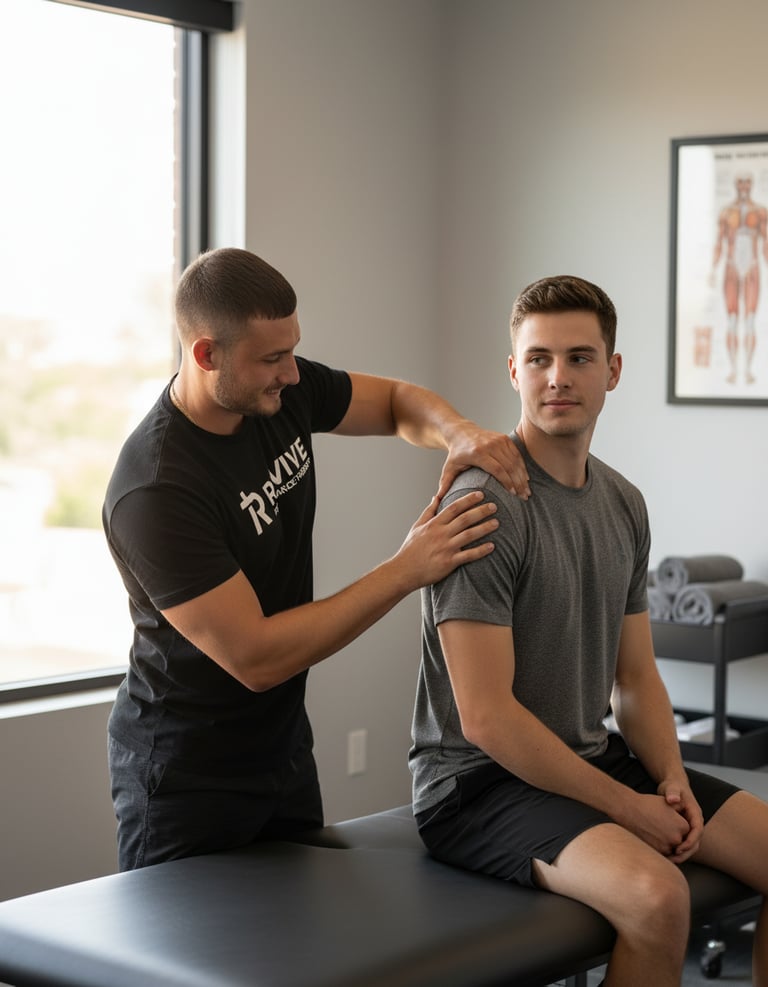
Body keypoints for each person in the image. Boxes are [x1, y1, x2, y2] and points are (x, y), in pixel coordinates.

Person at [102, 246, 530, 872]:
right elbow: (257, 657)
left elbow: (395, 404)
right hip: (183, 777)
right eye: (271, 358)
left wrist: (456, 431)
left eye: (292, 350)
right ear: (205, 354)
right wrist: (407, 568)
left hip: (280, 752)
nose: (292, 373)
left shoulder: (281, 393)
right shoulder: (157, 488)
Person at [409, 275, 768, 986]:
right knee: (657, 897)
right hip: (477, 785)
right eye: (538, 359)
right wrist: (630, 809)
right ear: (513, 370)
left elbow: (635, 677)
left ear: (613, 370)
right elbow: (485, 718)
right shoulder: (484, 507)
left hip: (585, 760)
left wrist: (668, 780)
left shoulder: (622, 502)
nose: (558, 377)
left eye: (579, 357)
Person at [710, 172, 768, 385]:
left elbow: (765, 244)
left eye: (748, 182)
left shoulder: (760, 212)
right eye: (741, 182)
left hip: (752, 267)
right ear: (736, 184)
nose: (744, 186)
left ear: (751, 184)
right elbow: (719, 243)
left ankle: (749, 369)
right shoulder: (727, 212)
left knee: (750, 321)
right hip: (732, 268)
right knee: (733, 321)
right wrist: (712, 270)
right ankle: (734, 370)